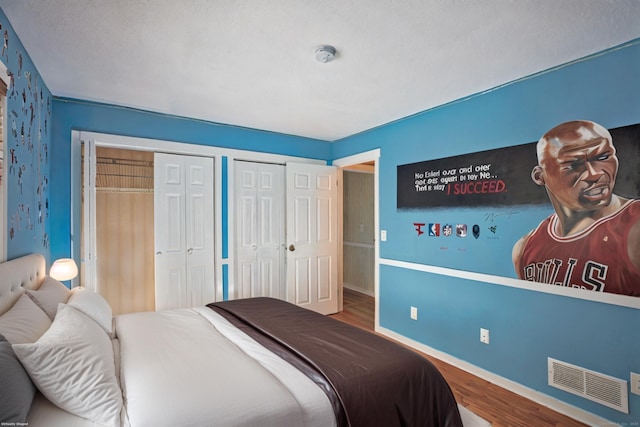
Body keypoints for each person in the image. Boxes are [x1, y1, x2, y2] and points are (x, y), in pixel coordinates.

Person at [512, 120, 640, 296]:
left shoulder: (634, 228)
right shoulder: (525, 247)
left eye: (603, 157)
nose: (595, 174)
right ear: (540, 176)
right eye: (573, 165)